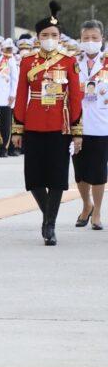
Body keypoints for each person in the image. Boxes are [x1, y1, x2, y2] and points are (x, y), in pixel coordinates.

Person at [11, 1, 84, 246]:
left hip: (59, 125)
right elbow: (21, 96)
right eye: (45, 35)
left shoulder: (68, 61)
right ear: (37, 37)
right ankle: (47, 216)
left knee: (56, 177)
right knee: (33, 178)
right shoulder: (27, 62)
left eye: (53, 35)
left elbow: (75, 97)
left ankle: (49, 224)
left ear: (60, 37)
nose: (49, 38)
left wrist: (77, 131)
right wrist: (17, 128)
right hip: (33, 124)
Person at [74, 19, 107, 230]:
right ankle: (86, 204)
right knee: (80, 172)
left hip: (102, 124)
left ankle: (97, 212)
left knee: (98, 171)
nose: (90, 42)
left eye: (94, 38)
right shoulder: (73, 62)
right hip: (77, 125)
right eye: (86, 38)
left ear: (102, 39)